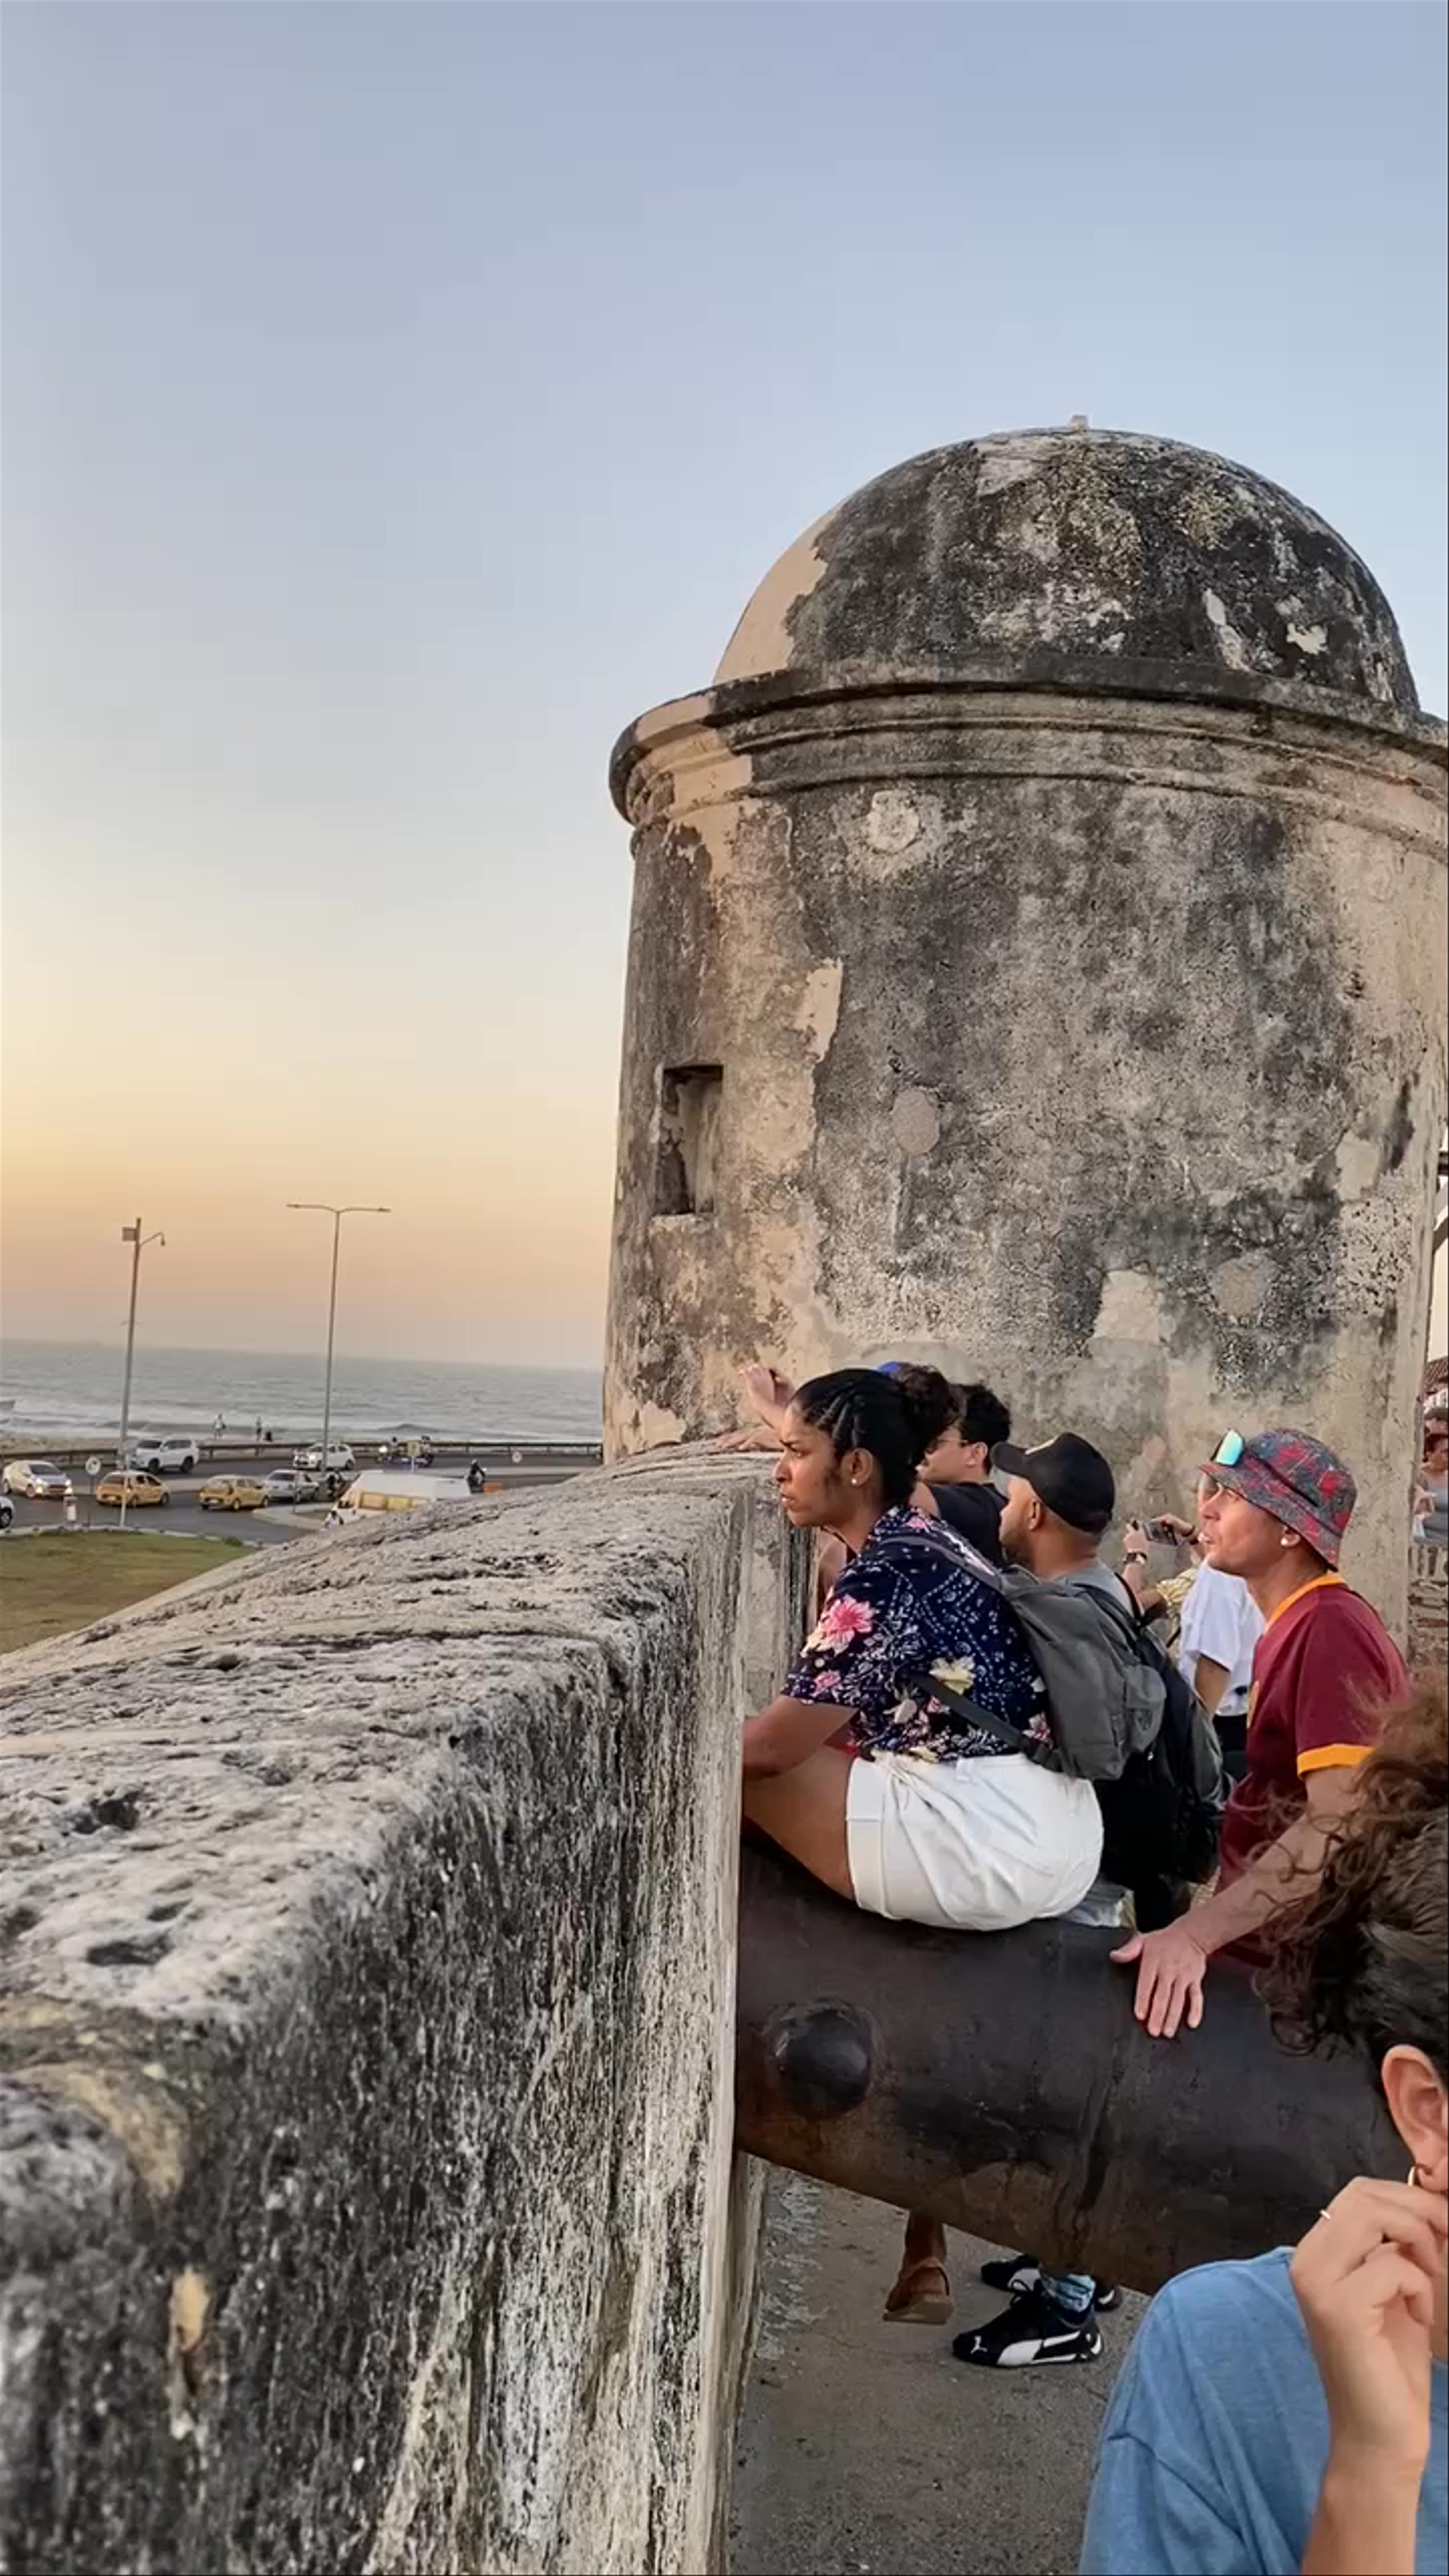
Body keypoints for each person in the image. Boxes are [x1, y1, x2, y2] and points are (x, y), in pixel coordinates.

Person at [741, 1370, 1104, 2327]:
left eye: (796, 1453)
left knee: (737, 1779)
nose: (780, 1468)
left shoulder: (884, 1571)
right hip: (1051, 1819)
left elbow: (773, 1749)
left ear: (856, 1466)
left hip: (990, 1833)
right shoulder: (922, 1534)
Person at [1081, 1678, 1448, 2576]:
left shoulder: (1321, 1632)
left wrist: (1200, 1932)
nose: (1212, 1524)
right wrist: (1366, 2493)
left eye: (1229, 1517)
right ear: (1429, 2115)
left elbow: (1330, 1815)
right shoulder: (1228, 2371)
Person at [1112, 1429, 1407, 2043]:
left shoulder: (1330, 1630)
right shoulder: (1298, 1620)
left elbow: (1338, 1825)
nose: (1208, 1507)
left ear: (1291, 1530)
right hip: (1270, 1952)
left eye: (1234, 1496)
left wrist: (1196, 1933)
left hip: (1292, 1971)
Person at [954, 1431, 1135, 2370]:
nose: (1008, 1500)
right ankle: (1072, 2262)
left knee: (1066, 2092)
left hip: (1081, 1883)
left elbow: (1075, 1756)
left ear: (1043, 1514)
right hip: (1096, 1873)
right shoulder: (1104, 1594)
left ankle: (1070, 2305)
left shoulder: (1063, 1609)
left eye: (1019, 1491)